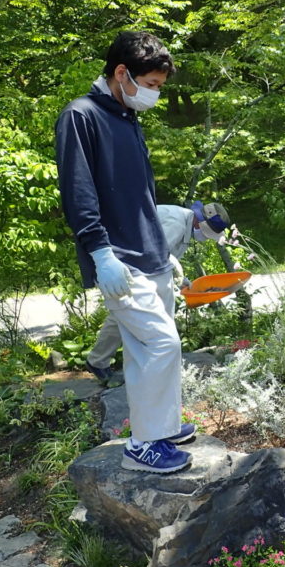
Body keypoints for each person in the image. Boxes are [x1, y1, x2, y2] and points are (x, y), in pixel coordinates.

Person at [55, 31, 194, 475]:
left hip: (148, 252)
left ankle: (162, 427)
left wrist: (163, 248)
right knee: (160, 344)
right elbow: (79, 195)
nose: (153, 94)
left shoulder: (127, 117)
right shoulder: (81, 116)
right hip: (118, 259)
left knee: (144, 350)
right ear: (121, 73)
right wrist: (100, 254)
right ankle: (144, 446)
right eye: (150, 84)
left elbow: (140, 197)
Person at [84, 201, 232, 384]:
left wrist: (185, 283)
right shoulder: (176, 224)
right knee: (127, 313)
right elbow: (158, 256)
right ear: (200, 224)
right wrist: (179, 279)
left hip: (137, 266)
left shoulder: (184, 222)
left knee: (129, 314)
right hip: (125, 264)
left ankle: (104, 361)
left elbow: (164, 260)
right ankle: (105, 362)